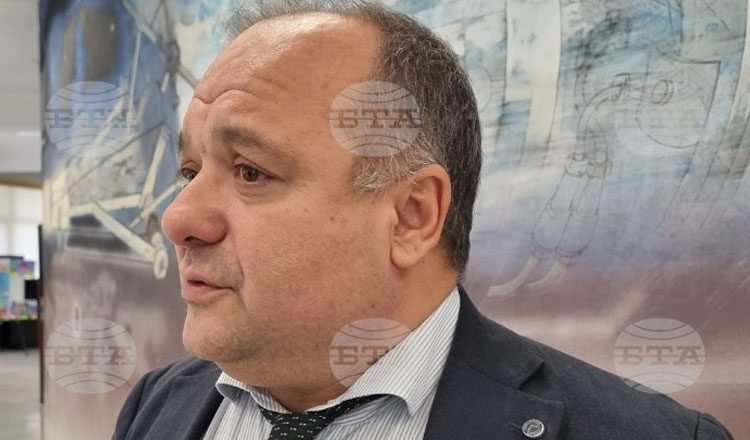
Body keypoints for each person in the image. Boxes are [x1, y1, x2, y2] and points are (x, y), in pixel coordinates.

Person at [113, 1, 734, 439]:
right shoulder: (158, 406)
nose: (179, 218)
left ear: (412, 217)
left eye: (251, 171)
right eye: (190, 172)